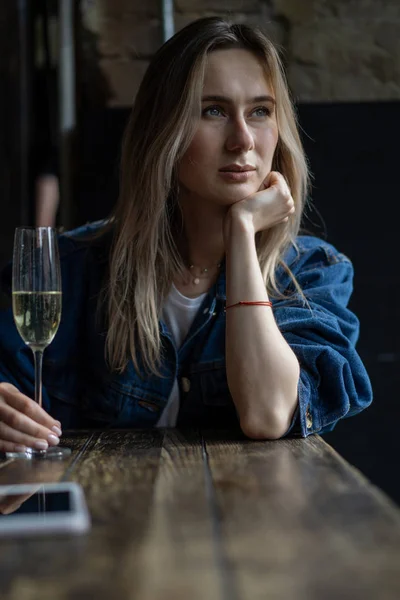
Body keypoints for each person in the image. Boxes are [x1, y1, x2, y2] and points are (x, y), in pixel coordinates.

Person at [0, 17, 372, 454]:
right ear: (164, 131)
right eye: (212, 110)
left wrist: (242, 229)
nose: (242, 139)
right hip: (104, 516)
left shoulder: (311, 273)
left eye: (260, 111)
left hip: (252, 517)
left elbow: (268, 413)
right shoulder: (70, 269)